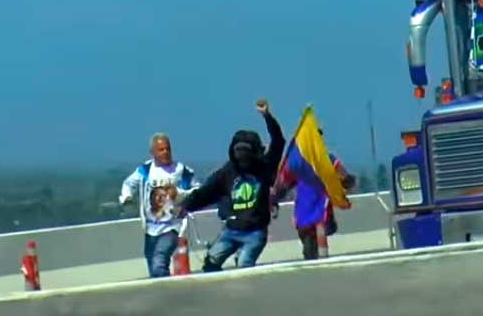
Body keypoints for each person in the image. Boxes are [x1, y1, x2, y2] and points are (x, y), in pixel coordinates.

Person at [175, 99, 285, 271]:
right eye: (238, 150)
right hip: (231, 231)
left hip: (255, 232)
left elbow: (278, 142)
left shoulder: (265, 167)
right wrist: (186, 205)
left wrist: (267, 116)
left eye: (246, 151)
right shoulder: (227, 172)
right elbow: (206, 192)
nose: (242, 155)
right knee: (211, 263)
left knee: (243, 266)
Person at [118, 133, 200, 278]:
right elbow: (129, 184)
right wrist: (127, 197)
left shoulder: (181, 170)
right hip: (150, 228)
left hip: (173, 226)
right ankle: (167, 289)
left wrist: (179, 194)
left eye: (168, 149)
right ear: (153, 152)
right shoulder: (145, 170)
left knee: (159, 262)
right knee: (153, 267)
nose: (165, 152)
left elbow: (198, 191)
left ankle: (165, 287)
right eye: (161, 150)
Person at [272, 132, 357, 260]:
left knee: (310, 226)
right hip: (318, 198)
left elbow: (285, 180)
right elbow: (342, 173)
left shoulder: (297, 160)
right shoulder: (325, 158)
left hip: (304, 201)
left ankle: (317, 253)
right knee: (319, 224)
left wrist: (276, 195)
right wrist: (347, 182)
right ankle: (322, 255)